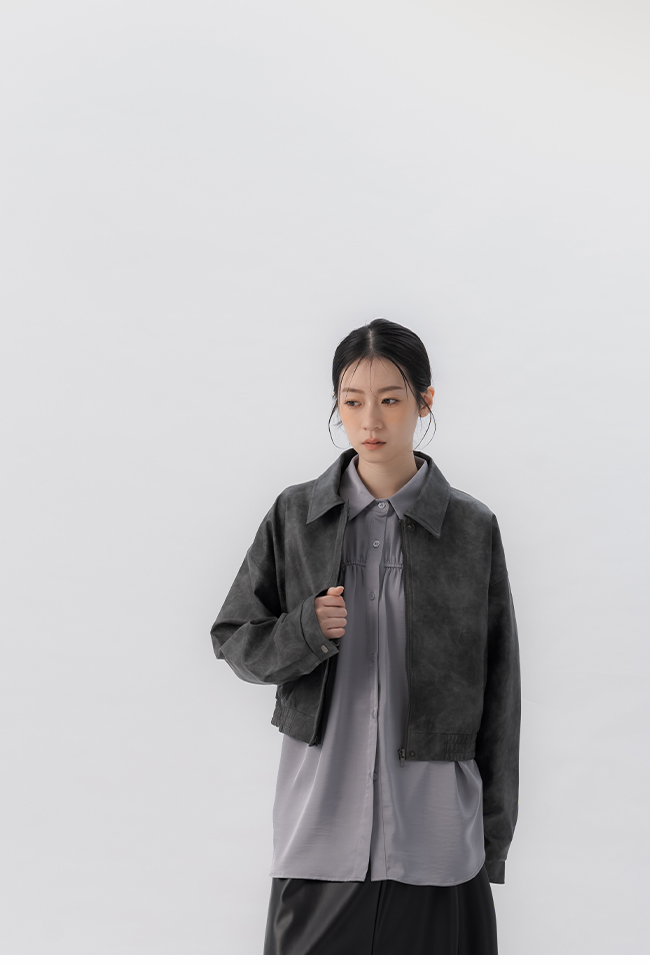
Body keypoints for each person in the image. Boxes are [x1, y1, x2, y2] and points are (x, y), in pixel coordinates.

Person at [210, 318, 521, 954]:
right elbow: (235, 639)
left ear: (424, 402)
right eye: (352, 402)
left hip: (436, 838)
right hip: (319, 831)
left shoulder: (470, 527)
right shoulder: (296, 516)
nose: (370, 421)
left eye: (390, 400)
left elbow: (501, 696)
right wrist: (304, 629)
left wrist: (492, 840)